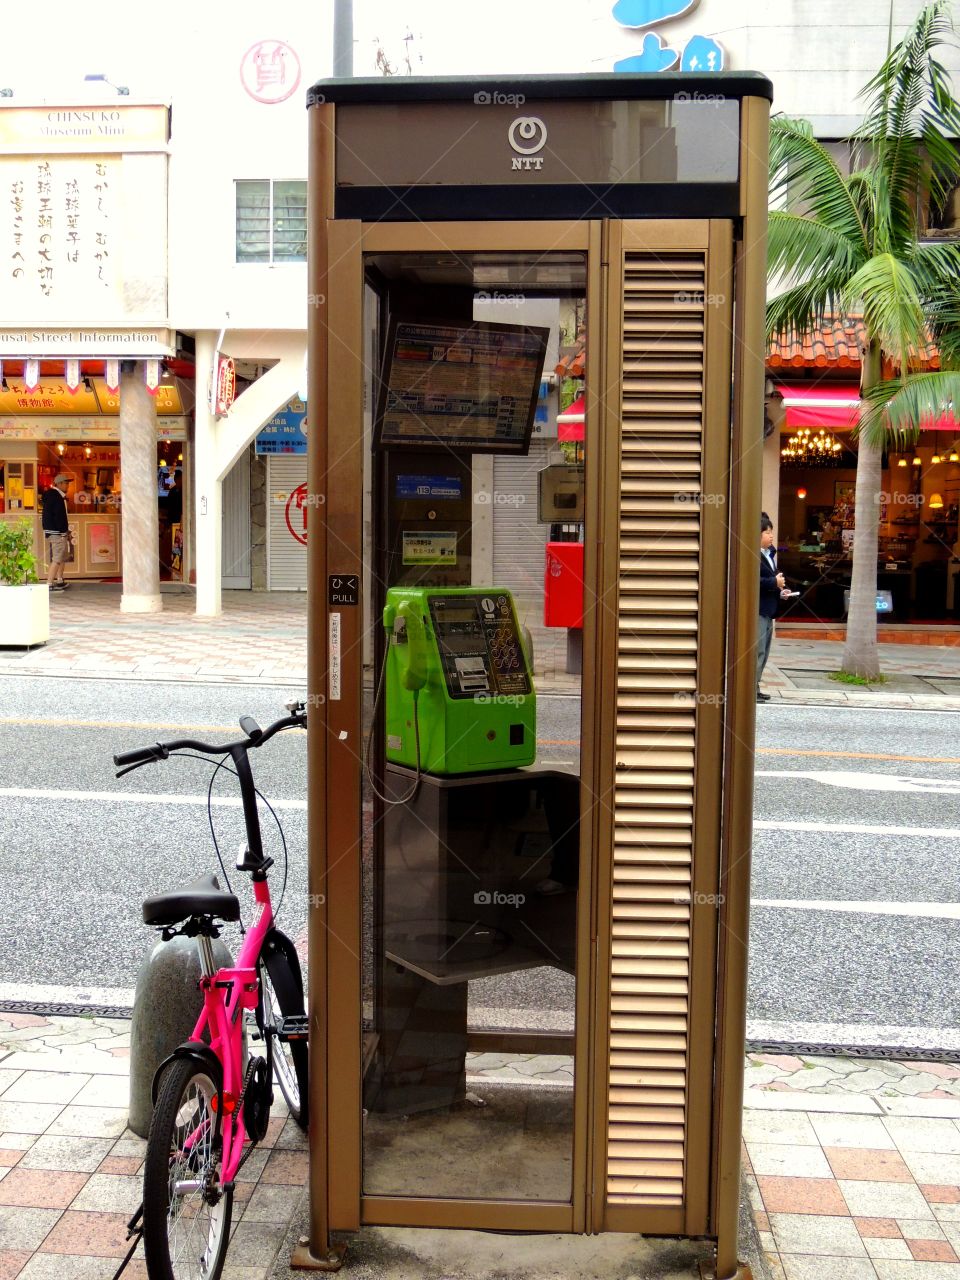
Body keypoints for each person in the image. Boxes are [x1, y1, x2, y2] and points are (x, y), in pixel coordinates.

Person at [757, 512, 791, 702]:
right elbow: (753, 580)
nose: (771, 536)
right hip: (759, 609)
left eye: (771, 532)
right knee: (758, 650)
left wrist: (781, 590)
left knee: (765, 650)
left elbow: (774, 580)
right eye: (767, 532)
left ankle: (756, 685)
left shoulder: (769, 554)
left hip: (769, 609)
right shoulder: (752, 554)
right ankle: (751, 688)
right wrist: (773, 583)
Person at [41, 472, 72, 592]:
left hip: (56, 531)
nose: (68, 486)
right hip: (57, 532)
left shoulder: (54, 495)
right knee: (58, 558)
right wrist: (64, 530)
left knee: (62, 557)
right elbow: (58, 516)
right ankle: (49, 583)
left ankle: (59, 580)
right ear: (59, 484)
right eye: (66, 483)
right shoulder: (56, 497)